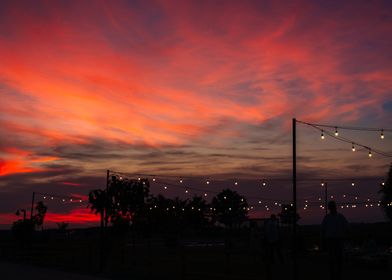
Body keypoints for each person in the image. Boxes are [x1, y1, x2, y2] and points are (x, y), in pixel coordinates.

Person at [321, 201, 348, 280]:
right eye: (330, 207)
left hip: (338, 240)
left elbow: (346, 227)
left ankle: (338, 275)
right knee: (332, 260)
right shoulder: (327, 218)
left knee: (338, 259)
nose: (332, 208)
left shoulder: (340, 217)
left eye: (332, 206)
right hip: (331, 241)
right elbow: (323, 230)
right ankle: (333, 275)